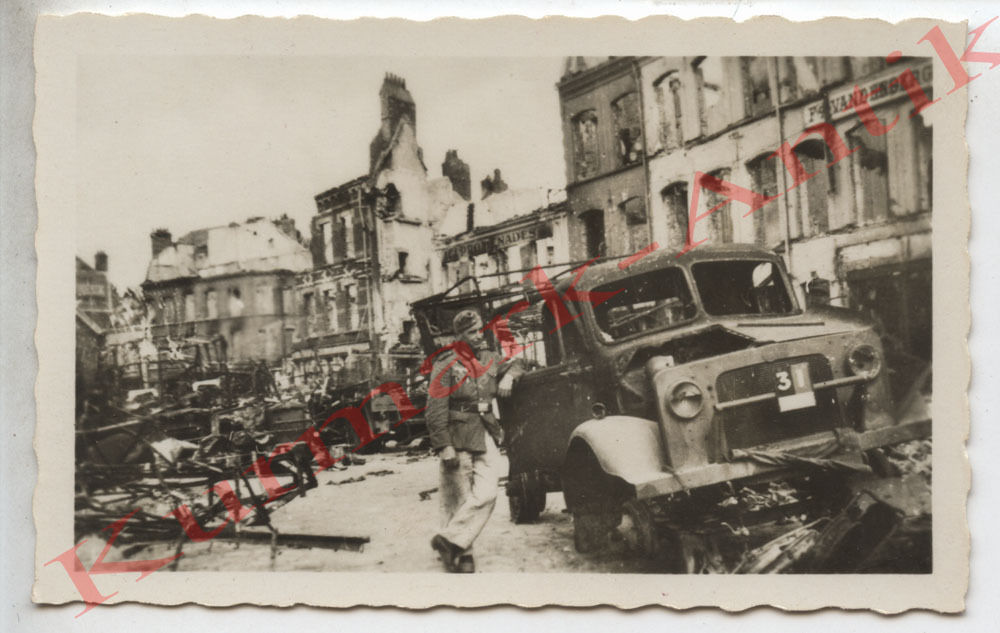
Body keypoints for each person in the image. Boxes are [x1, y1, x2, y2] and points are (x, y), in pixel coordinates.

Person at [427, 309, 523, 573]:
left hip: (485, 432)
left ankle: (448, 540)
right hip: (457, 436)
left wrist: (509, 376)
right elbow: (435, 407)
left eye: (480, 329)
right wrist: (443, 444)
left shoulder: (489, 358)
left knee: (488, 493)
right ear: (458, 336)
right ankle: (463, 553)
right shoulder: (445, 363)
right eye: (471, 332)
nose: (479, 335)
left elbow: (517, 363)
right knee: (458, 498)